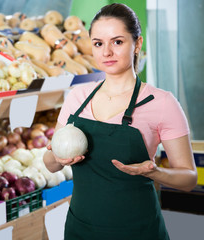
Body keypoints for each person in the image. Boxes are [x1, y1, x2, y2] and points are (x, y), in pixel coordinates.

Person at [43, 3, 197, 240]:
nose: (106, 52)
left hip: (138, 231)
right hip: (80, 229)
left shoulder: (162, 103)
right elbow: (50, 163)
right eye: (98, 43)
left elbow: (188, 179)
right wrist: (58, 158)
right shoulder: (77, 98)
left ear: (137, 44)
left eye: (117, 42)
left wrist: (155, 172)